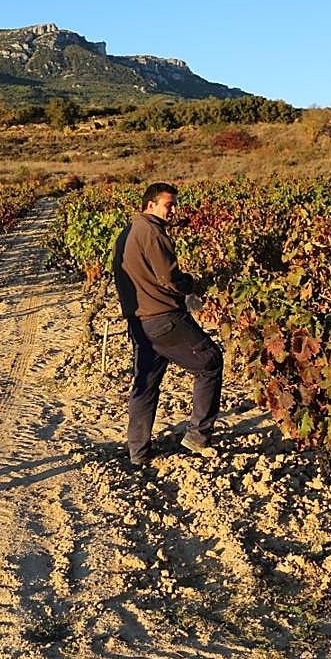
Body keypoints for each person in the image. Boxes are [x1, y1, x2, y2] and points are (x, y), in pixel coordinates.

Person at [112, 182, 223, 468]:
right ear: (151, 205)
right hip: (165, 319)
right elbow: (169, 278)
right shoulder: (152, 232)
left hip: (139, 322)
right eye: (169, 205)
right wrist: (191, 286)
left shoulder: (128, 232)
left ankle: (138, 452)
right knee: (210, 362)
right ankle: (198, 437)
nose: (173, 211)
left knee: (145, 385)